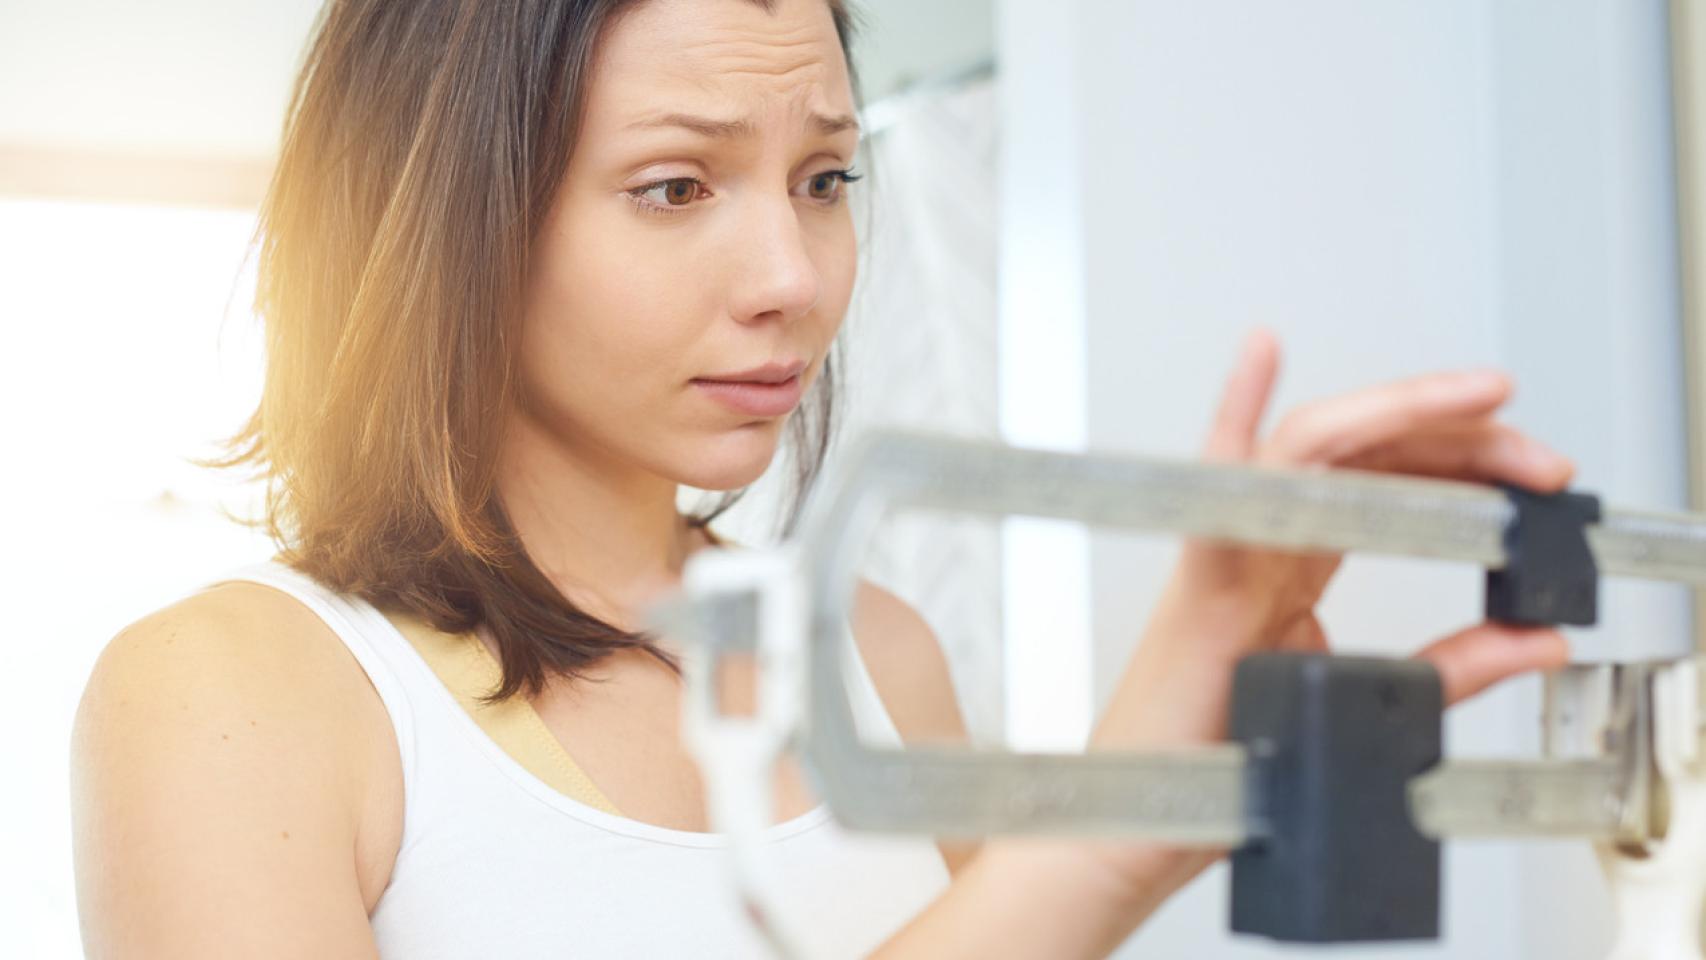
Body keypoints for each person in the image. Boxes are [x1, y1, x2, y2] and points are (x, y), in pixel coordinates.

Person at [68, 0, 1577, 956]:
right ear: (451, 215)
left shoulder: (876, 657)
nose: (792, 277)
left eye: (824, 179)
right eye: (675, 187)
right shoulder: (232, 695)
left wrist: (1184, 781)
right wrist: (1112, 849)